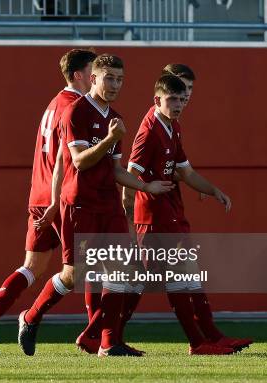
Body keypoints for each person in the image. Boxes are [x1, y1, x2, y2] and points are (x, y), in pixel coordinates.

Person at [17, 54, 174, 357]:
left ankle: (108, 342)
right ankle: (31, 315)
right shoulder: (75, 112)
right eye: (109, 78)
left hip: (109, 204)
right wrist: (110, 138)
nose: (115, 84)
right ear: (93, 78)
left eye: (120, 79)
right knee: (72, 275)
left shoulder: (114, 117)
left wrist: (144, 186)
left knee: (122, 271)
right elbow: (79, 160)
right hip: (80, 205)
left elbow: (114, 169)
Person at [0, 49, 97, 354]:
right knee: (87, 266)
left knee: (32, 267)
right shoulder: (76, 107)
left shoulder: (54, 103)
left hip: (40, 196)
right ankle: (87, 333)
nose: (96, 78)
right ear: (79, 75)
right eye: (92, 71)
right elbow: (64, 161)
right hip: (61, 198)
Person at [122, 73, 250, 354]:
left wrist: (214, 190)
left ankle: (211, 337)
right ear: (157, 99)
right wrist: (130, 224)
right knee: (177, 276)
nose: (179, 104)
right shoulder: (148, 131)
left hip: (167, 214)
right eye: (173, 99)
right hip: (153, 218)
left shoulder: (172, 126)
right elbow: (129, 180)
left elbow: (186, 172)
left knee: (168, 276)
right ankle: (199, 342)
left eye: (182, 99)